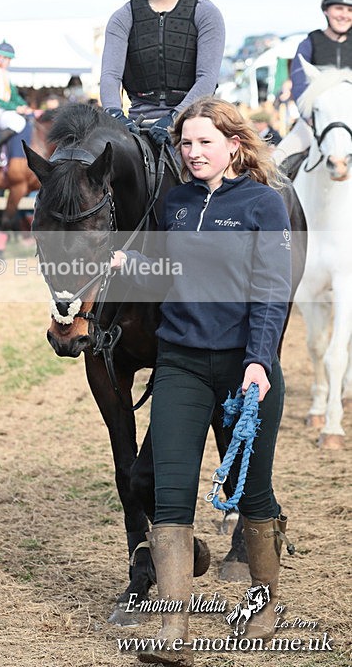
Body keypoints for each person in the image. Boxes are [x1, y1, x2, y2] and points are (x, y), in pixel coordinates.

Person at [111, 97, 292, 664]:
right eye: (185, 144)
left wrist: (260, 361)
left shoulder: (265, 204)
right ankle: (173, 631)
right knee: (170, 494)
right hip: (181, 364)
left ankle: (263, 606)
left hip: (246, 369)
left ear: (234, 145)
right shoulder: (176, 203)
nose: (192, 153)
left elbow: (271, 289)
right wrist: (131, 264)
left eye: (204, 142)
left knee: (254, 492)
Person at [100, 0, 225, 147]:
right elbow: (110, 76)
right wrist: (115, 115)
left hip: (196, 121)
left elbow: (206, 79)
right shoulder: (122, 17)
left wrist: (174, 119)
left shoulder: (207, 13)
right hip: (136, 122)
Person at [273, 0, 352, 165]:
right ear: (326, 10)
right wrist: (309, 117)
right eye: (338, 8)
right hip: (313, 122)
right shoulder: (310, 43)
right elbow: (299, 86)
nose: (344, 15)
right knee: (276, 161)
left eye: (350, 10)